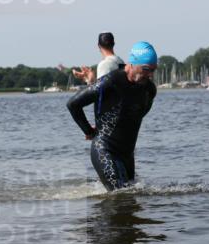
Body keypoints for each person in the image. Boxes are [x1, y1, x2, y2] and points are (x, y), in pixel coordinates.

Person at [67, 41, 158, 190]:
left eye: (153, 70)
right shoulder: (110, 81)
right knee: (120, 194)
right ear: (132, 63)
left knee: (130, 199)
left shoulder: (149, 89)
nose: (149, 74)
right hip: (105, 149)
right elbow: (73, 104)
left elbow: (140, 114)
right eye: (146, 69)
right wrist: (89, 131)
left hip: (127, 155)